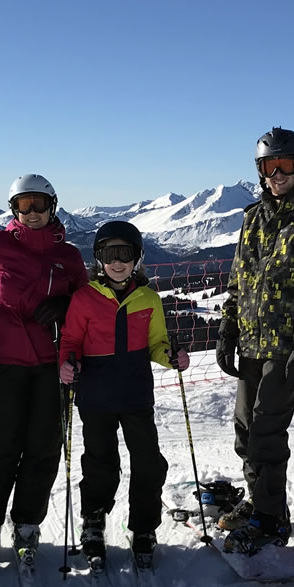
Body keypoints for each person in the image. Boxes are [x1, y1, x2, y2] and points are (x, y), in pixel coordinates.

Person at [0, 174, 89, 570]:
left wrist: (66, 306)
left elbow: (85, 300)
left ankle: (28, 522)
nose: (31, 213)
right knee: (3, 447)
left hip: (53, 364)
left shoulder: (71, 256)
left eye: (39, 204)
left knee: (44, 448)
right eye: (23, 205)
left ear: (52, 206)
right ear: (13, 208)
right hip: (7, 362)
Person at [215, 128, 294, 554]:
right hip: (251, 341)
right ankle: (257, 501)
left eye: (286, 165)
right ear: (261, 171)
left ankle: (271, 519)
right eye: (271, 166)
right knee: (246, 430)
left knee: (267, 432)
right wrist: (228, 328)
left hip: (287, 347)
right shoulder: (252, 217)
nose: (278, 174)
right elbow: (238, 280)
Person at [57, 221, 189, 568]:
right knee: (101, 463)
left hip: (135, 393)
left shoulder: (147, 298)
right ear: (98, 259)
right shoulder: (84, 298)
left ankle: (143, 527)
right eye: (109, 255)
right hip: (95, 394)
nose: (118, 263)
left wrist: (171, 357)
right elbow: (70, 341)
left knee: (148, 461)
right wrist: (66, 364)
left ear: (137, 258)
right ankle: (93, 521)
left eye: (125, 254)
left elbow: (157, 344)